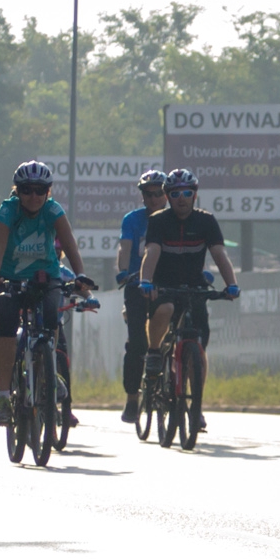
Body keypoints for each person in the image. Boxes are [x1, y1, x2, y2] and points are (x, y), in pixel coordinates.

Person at [0, 161, 96, 425]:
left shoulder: (53, 210)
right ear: (17, 191)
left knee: (51, 316)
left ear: (48, 191)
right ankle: (3, 396)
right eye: (26, 190)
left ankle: (49, 371)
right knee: (7, 320)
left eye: (40, 190)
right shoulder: (8, 210)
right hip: (8, 278)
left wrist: (80, 275)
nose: (33, 196)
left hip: (45, 277)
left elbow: (70, 245)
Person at [135, 168, 239, 434]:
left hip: (195, 286)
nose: (181, 198)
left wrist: (231, 285)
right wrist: (146, 281)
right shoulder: (159, 220)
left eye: (186, 193)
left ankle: (196, 408)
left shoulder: (206, 221)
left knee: (198, 349)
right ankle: (155, 353)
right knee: (166, 308)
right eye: (175, 194)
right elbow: (151, 252)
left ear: (195, 194)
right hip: (163, 284)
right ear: (168, 197)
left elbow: (219, 254)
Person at [115, 169, 168, 424]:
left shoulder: (175, 218)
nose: (154, 199)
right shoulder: (133, 220)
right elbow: (125, 248)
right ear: (143, 196)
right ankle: (132, 398)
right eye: (149, 194)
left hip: (167, 283)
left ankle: (183, 394)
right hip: (138, 283)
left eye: (159, 194)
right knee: (137, 343)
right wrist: (123, 272)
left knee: (181, 333)